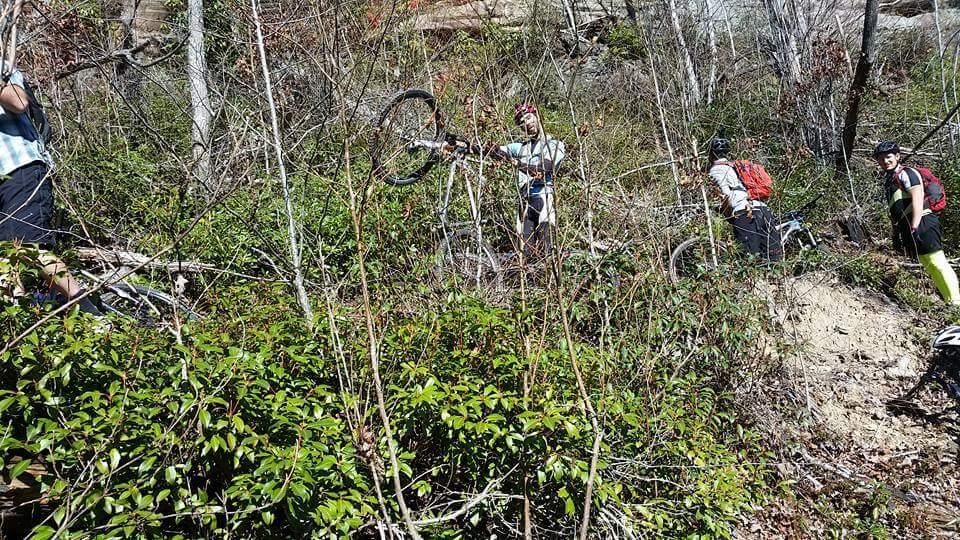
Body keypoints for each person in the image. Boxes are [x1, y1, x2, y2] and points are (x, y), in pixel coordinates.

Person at [0, 65, 101, 315]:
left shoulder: (3, 67)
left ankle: (90, 312)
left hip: (20, 168)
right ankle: (19, 323)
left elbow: (19, 102)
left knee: (27, 248)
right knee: (4, 260)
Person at [875, 140, 960, 305]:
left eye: (888, 157)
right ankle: (950, 302)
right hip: (909, 226)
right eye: (881, 158)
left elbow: (918, 197)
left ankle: (956, 303)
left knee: (937, 261)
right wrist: (897, 233)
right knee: (929, 264)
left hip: (923, 221)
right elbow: (896, 211)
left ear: (897, 156)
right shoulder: (890, 180)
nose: (885, 161)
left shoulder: (907, 173)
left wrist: (914, 225)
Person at [498, 103, 565, 259]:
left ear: (537, 116)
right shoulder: (520, 148)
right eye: (522, 122)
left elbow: (544, 170)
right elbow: (495, 150)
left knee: (546, 252)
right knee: (525, 254)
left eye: (528, 117)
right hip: (524, 203)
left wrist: (518, 164)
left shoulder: (554, 145)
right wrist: (465, 145)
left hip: (544, 197)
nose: (526, 123)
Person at [707, 137, 782, 262]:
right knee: (772, 256)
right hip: (762, 208)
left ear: (711, 154)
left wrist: (727, 214)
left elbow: (725, 195)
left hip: (744, 213)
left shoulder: (716, 170)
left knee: (750, 259)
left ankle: (756, 281)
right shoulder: (738, 166)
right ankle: (777, 280)